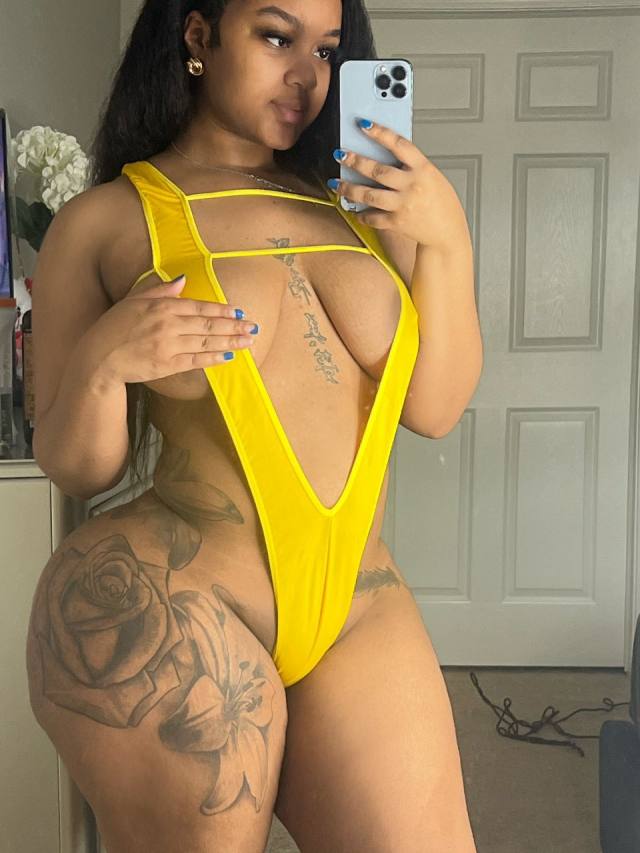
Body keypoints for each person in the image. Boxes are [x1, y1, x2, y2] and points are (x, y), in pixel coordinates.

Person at [25, 1, 480, 851]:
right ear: (198, 37)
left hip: (355, 608)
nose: (306, 76)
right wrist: (102, 364)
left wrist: (447, 239)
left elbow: (435, 405)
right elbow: (77, 465)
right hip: (185, 600)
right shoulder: (106, 221)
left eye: (327, 50)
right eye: (276, 37)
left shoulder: (362, 207)